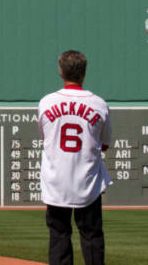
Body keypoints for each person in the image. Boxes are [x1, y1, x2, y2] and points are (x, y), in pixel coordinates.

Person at [39, 50, 111, 265]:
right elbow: (105, 144)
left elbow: (46, 137)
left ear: (61, 72)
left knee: (59, 235)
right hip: (87, 180)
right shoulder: (99, 104)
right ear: (84, 73)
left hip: (56, 181)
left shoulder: (46, 102)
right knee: (91, 236)